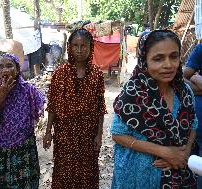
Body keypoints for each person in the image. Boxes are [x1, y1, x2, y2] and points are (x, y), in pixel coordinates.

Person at [111, 30, 198, 188]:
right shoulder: (132, 93)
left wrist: (183, 155)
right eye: (158, 58)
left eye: (173, 56)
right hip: (138, 173)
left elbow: (193, 125)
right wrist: (165, 152)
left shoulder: (184, 92)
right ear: (145, 60)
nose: (168, 65)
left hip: (177, 172)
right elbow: (118, 134)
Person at [43, 28, 107, 189]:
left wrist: (99, 135)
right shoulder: (60, 73)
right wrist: (48, 131)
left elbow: (100, 107)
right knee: (64, 171)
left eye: (83, 45)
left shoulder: (97, 75)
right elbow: (53, 105)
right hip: (65, 134)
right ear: (69, 47)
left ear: (90, 47)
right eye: (75, 45)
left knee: (87, 173)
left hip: (88, 134)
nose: (79, 50)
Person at [0, 53, 45, 188]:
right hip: (1, 149)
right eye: (1, 67)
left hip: (24, 148)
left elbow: (37, 113)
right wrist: (2, 96)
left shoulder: (29, 90)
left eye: (9, 66)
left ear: (17, 69)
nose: (4, 70)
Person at [183, 43, 202, 189]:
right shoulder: (201, 48)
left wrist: (197, 78)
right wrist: (196, 81)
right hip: (195, 125)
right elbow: (180, 78)